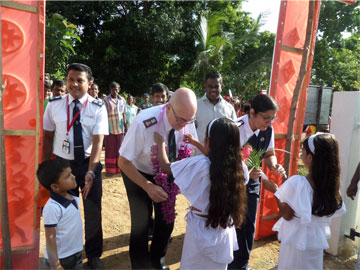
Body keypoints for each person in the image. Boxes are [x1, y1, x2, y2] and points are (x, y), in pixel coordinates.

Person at [118, 87, 198, 270]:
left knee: (166, 220)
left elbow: (189, 150)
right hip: (138, 172)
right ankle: (140, 266)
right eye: (180, 120)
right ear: (168, 107)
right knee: (141, 222)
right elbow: (123, 161)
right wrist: (147, 186)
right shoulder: (144, 122)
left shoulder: (187, 119)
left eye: (189, 120)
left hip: (168, 170)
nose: (184, 124)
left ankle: (158, 261)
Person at [154, 117, 249, 269]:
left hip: (199, 227)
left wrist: (160, 143)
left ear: (208, 141)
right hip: (224, 228)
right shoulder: (240, 168)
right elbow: (217, 161)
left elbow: (166, 167)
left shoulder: (199, 165)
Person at [43, 63, 108, 269]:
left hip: (89, 164)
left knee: (92, 212)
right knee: (65, 212)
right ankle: (66, 255)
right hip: (63, 166)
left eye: (79, 80)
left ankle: (94, 255)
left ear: (89, 84)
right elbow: (47, 136)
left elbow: (98, 142)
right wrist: (45, 168)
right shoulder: (54, 105)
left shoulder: (98, 107)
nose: (74, 84)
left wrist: (91, 170)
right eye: (70, 79)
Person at [269, 133, 346, 269]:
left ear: (310, 157)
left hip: (296, 239)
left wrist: (275, 190)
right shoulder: (332, 186)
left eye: (302, 152)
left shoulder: (298, 183)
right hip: (315, 240)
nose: (300, 155)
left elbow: (287, 214)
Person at [229, 93, 286, 270]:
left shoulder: (268, 130)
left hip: (253, 183)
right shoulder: (235, 128)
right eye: (266, 118)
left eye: (272, 119)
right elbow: (225, 162)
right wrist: (244, 171)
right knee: (234, 224)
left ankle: (243, 263)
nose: (269, 123)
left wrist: (274, 166)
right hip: (233, 184)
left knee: (249, 224)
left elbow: (269, 154)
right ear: (252, 113)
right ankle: (229, 262)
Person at [37, 159, 83, 270]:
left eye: (71, 173)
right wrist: (55, 264)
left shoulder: (73, 196)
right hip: (62, 258)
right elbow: (50, 237)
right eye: (67, 176)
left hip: (76, 253)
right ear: (55, 187)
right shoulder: (52, 207)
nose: (73, 177)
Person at [195, 72, 237, 154]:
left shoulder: (229, 108)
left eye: (216, 86)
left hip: (223, 157)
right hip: (200, 156)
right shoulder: (195, 106)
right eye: (210, 86)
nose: (213, 89)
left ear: (222, 86)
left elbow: (234, 133)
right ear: (205, 86)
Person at [103, 81, 126, 175]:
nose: (115, 91)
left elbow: (123, 113)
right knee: (110, 149)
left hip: (120, 128)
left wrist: (125, 125)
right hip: (110, 128)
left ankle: (119, 168)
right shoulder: (105, 100)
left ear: (119, 90)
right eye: (113, 89)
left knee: (120, 149)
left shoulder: (122, 100)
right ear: (110, 90)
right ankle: (110, 170)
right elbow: (103, 114)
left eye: (116, 89)